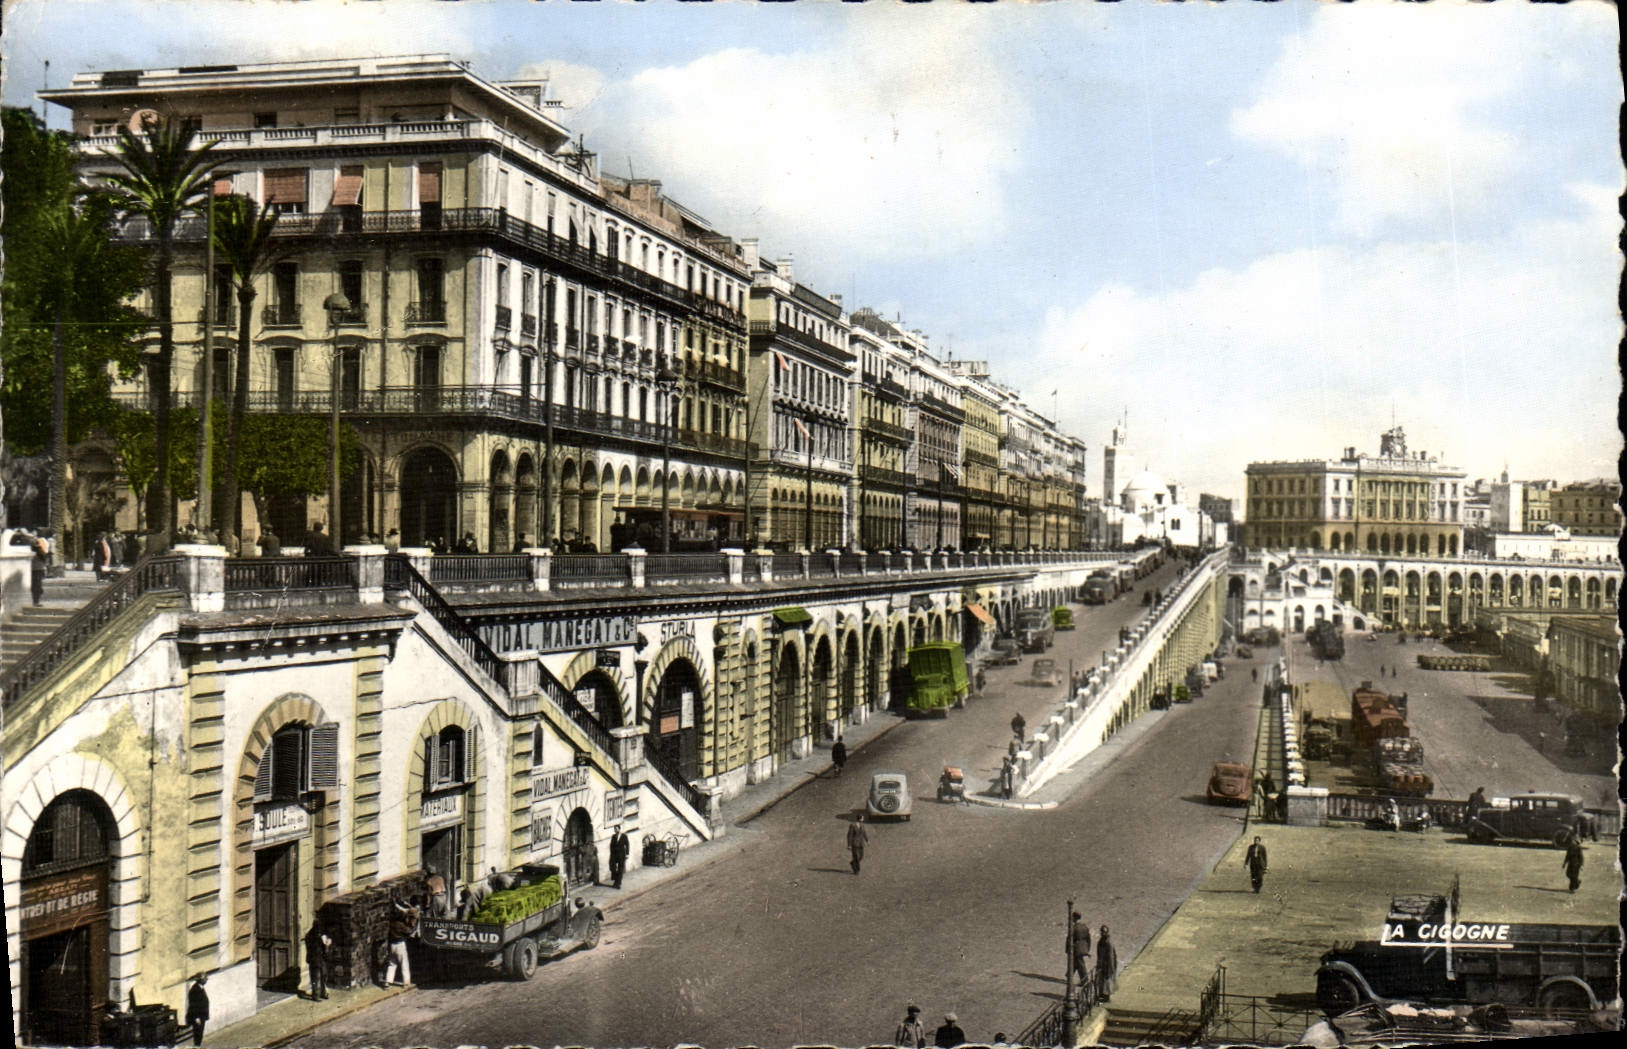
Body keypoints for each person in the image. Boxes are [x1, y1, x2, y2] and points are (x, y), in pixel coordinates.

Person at [384, 899, 416, 986]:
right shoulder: (401, 925)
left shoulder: (392, 924)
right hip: (400, 944)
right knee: (404, 963)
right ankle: (406, 981)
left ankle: (388, 981)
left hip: (392, 944)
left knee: (392, 963)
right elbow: (409, 931)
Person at [304, 921, 333, 1000]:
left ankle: (322, 993)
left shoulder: (319, 935)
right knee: (315, 977)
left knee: (323, 976)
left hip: (321, 959)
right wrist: (325, 945)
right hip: (315, 959)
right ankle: (316, 995)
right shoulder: (311, 935)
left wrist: (326, 945)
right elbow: (312, 947)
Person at [184, 974, 210, 1046]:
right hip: (198, 1017)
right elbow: (193, 1004)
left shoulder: (200, 988)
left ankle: (198, 1046)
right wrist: (196, 1017)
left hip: (202, 1016)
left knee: (200, 1033)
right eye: (205, 979)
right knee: (198, 1034)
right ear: (200, 980)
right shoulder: (195, 990)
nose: (206, 980)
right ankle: (197, 1046)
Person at [1094, 927, 1117, 1004]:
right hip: (1102, 964)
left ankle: (1107, 997)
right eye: (1101, 932)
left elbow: (1111, 956)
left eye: (1103, 932)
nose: (1102, 933)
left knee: (1107, 981)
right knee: (1101, 980)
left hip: (1107, 965)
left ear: (1106, 933)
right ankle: (1102, 995)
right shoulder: (1101, 941)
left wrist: (1111, 968)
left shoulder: (1108, 943)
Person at [1069, 911, 1092, 989]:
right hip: (1083, 948)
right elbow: (1088, 938)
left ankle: (1085, 981)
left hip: (1076, 949)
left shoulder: (1074, 928)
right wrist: (1087, 948)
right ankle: (1069, 975)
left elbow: (1070, 939)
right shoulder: (1084, 926)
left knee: (1080, 964)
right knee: (1076, 963)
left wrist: (1068, 949)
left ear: (1075, 918)